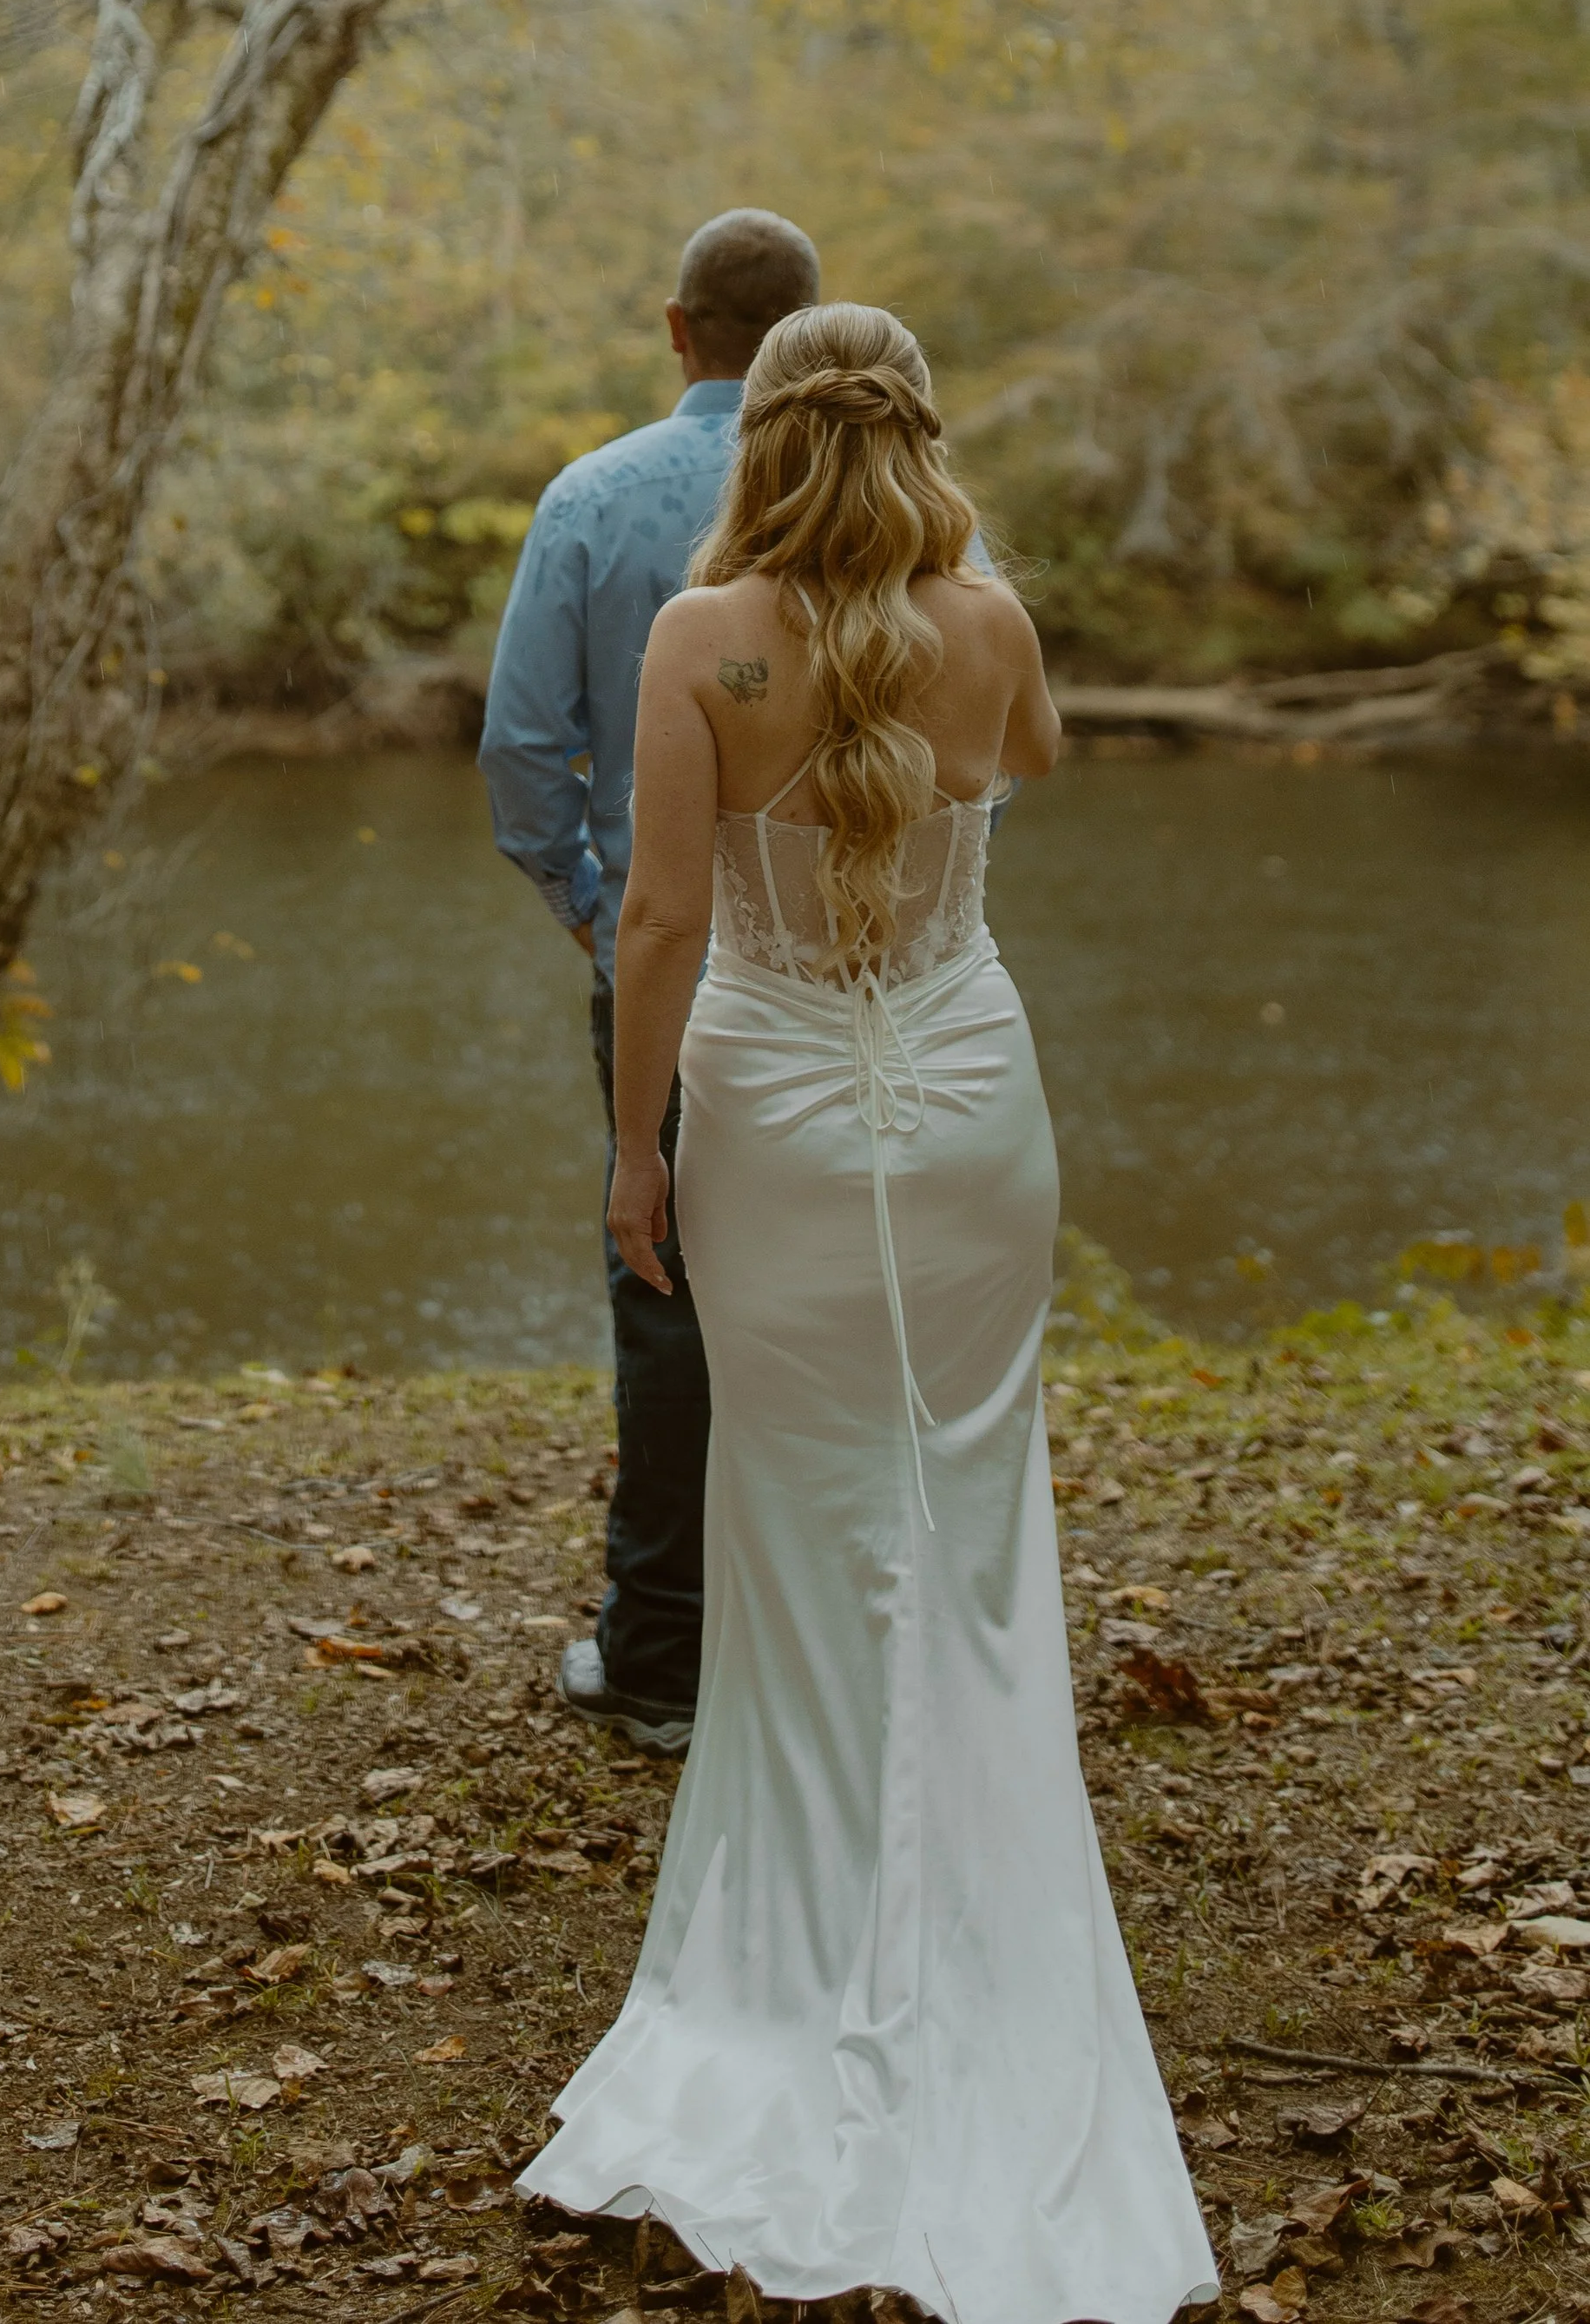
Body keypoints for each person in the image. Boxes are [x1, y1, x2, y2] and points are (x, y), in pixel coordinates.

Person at [518, 304, 1218, 2320]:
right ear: (915, 437)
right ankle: (986, 1906)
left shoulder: (699, 638)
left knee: (798, 1510)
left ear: (757, 436)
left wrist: (634, 1150)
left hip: (776, 1117)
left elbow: (662, 915)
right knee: (965, 1516)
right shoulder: (983, 622)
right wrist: (943, 596)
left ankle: (810, 1925)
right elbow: (1029, 760)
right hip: (968, 1103)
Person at [481, 209, 823, 1755]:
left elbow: (521, 753)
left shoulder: (595, 497)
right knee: (836, 1283)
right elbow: (977, 756)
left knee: (669, 1286)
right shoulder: (892, 508)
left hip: (665, 968)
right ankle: (818, 1639)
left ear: (679, 327)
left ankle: (665, 1657)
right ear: (810, 330)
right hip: (847, 969)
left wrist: (592, 905)